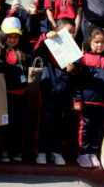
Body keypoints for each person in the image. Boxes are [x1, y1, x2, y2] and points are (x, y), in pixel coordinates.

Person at [73, 27, 104, 168]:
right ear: (90, 42)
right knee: (85, 128)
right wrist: (77, 99)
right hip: (87, 102)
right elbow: (77, 81)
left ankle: (92, 153)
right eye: (96, 42)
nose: (99, 45)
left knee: (98, 128)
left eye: (102, 42)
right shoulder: (84, 59)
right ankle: (82, 154)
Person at [34, 18, 76, 166]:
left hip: (64, 90)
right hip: (48, 86)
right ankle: (42, 151)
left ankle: (56, 152)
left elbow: (79, 70)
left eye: (73, 32)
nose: (70, 35)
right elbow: (34, 52)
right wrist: (45, 37)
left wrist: (73, 70)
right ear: (59, 30)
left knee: (60, 119)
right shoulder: (48, 42)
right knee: (46, 118)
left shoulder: (73, 49)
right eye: (68, 31)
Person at [0, 17, 31, 163]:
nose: (12, 40)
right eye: (9, 37)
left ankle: (17, 150)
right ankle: (4, 151)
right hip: (5, 97)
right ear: (3, 36)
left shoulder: (23, 51)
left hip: (22, 95)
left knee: (20, 125)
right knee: (5, 127)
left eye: (15, 37)